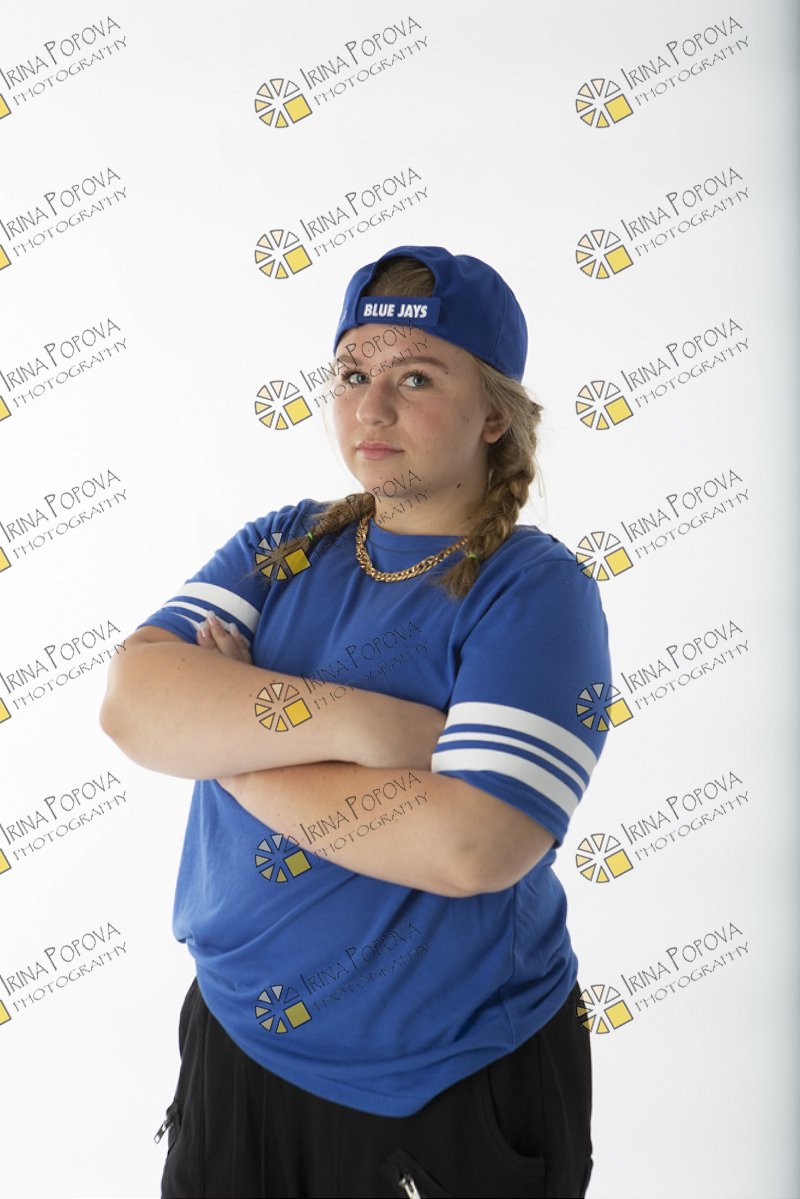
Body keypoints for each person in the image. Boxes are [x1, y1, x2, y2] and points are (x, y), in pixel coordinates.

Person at [100, 244, 612, 1199]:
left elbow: (472, 845)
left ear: (494, 414)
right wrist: (371, 728)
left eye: (415, 377)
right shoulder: (287, 544)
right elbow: (133, 704)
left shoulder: (535, 590)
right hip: (238, 1048)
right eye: (351, 374)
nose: (371, 408)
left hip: (445, 1083)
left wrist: (233, 750)